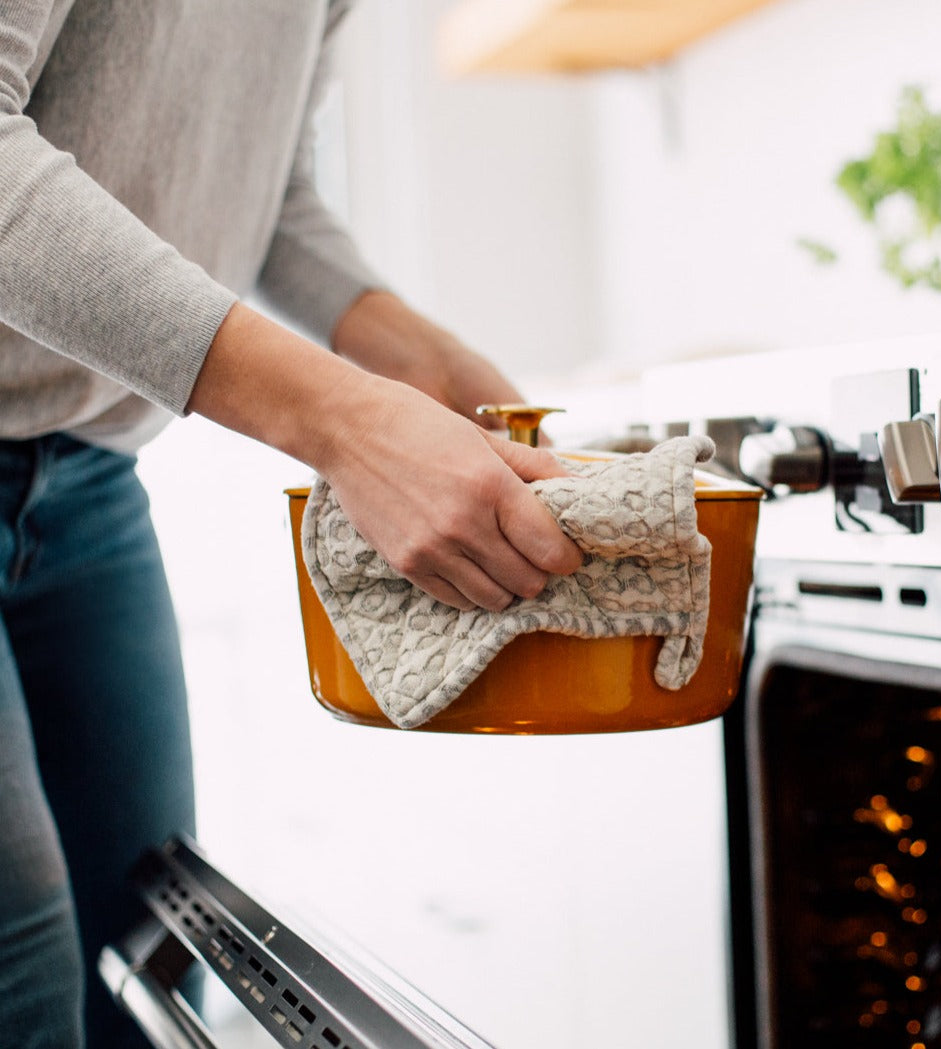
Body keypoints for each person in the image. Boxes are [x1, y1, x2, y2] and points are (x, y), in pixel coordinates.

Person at [0, 2, 583, 1047]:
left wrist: (407, 353)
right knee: (24, 964)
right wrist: (343, 420)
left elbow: (266, 193)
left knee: (144, 937)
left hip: (89, 475)